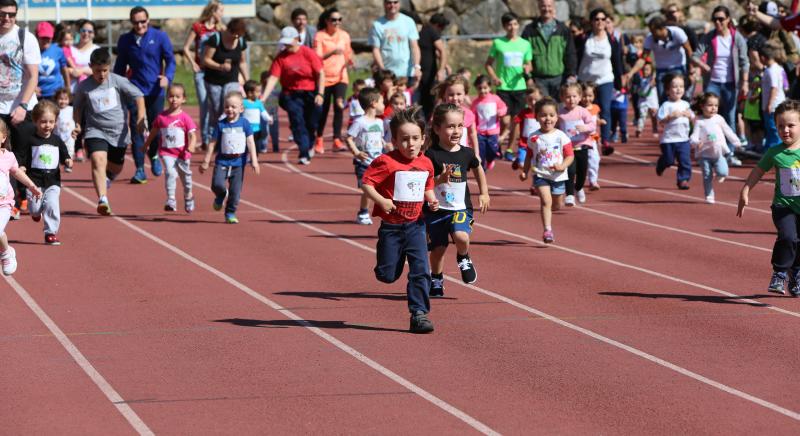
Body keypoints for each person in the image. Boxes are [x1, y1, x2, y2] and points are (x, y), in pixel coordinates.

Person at [361, 106, 439, 333]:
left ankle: (419, 314)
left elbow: (428, 185)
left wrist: (431, 199)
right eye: (404, 139)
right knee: (387, 276)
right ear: (394, 140)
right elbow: (367, 183)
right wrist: (382, 201)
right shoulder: (386, 162)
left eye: (415, 138)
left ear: (423, 139)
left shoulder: (426, 163)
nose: (410, 144)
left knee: (421, 269)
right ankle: (387, 264)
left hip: (415, 225)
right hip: (391, 229)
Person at [424, 103, 489, 297]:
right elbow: (425, 182)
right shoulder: (430, 155)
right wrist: (439, 180)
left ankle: (463, 256)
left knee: (461, 236)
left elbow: (478, 168)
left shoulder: (466, 153)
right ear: (437, 129)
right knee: (438, 249)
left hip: (461, 207)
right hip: (436, 209)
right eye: (451, 126)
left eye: (460, 126)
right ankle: (436, 279)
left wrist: (484, 192)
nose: (457, 131)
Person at [737, 99, 800, 296]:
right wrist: (746, 190)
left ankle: (796, 274)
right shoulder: (775, 152)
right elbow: (758, 171)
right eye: (780, 126)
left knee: (798, 242)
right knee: (788, 236)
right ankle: (780, 273)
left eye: (791, 125)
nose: (785, 130)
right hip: (783, 206)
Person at [73, 49, 146, 216]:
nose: (102, 74)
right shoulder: (84, 87)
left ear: (109, 67)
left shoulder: (118, 81)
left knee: (116, 166)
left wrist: (141, 118)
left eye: (105, 70)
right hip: (95, 130)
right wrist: (77, 124)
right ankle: (103, 199)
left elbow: (139, 96)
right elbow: (77, 106)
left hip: (118, 132)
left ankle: (109, 178)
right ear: (91, 67)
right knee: (98, 160)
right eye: (98, 71)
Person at [115, 6, 176, 184]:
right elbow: (120, 66)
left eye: (143, 21)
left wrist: (168, 77)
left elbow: (170, 60)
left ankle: (154, 155)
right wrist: (116, 86)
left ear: (148, 20)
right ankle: (140, 169)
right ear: (131, 23)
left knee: (156, 127)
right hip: (135, 90)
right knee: (136, 128)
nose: (140, 25)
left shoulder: (160, 36)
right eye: (136, 22)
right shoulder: (125, 40)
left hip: (155, 90)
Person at [692, 6, 749, 166]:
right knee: (708, 116)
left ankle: (729, 153)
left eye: (721, 19)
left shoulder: (736, 38)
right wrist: (704, 67)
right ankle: (708, 152)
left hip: (731, 83)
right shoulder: (709, 37)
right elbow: (695, 56)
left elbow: (745, 62)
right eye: (715, 19)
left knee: (729, 118)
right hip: (713, 83)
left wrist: (744, 83)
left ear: (728, 20)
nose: (718, 22)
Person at [260, 26, 325, 166]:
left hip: (311, 93)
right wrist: (263, 97)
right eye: (285, 42)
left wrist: (320, 93)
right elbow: (273, 78)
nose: (287, 45)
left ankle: (309, 142)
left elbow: (320, 73)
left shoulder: (308, 53)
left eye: (290, 42)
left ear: (297, 39)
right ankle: (304, 152)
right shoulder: (281, 57)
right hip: (291, 94)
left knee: (312, 122)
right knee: (297, 120)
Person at [0, 0, 39, 221]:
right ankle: (9, 201)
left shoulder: (25, 37)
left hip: (22, 107)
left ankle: (26, 196)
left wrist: (23, 106)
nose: (7, 18)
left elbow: (33, 76)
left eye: (11, 14)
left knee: (23, 157)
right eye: (2, 14)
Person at [519, 97, 574, 243]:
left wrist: (562, 166)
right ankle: (547, 230)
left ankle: (553, 209)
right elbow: (529, 155)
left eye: (551, 115)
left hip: (558, 176)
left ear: (557, 116)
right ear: (536, 117)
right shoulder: (534, 137)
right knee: (545, 201)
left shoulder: (561, 136)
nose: (547, 119)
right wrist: (525, 171)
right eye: (543, 115)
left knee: (556, 204)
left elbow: (570, 156)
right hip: (540, 173)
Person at [200, 91, 260, 223]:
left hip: (238, 163)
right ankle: (220, 195)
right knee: (217, 185)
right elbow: (212, 143)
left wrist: (254, 161)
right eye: (227, 107)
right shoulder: (221, 124)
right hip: (222, 161)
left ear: (241, 108)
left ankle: (230, 213)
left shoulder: (245, 124)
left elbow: (250, 142)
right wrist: (206, 161)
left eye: (233, 107)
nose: (230, 109)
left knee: (235, 192)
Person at [18, 100, 71, 245]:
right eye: (43, 122)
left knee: (52, 205)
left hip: (53, 181)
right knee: (35, 209)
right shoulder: (31, 140)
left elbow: (64, 152)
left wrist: (67, 160)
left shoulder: (56, 140)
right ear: (35, 121)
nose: (47, 125)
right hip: (34, 181)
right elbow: (23, 156)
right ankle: (35, 214)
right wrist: (22, 166)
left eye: (51, 122)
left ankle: (50, 232)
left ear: (55, 122)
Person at [141, 83, 197, 213]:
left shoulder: (185, 118)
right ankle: (171, 198)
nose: (174, 99)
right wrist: (146, 145)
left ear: (184, 99)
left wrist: (192, 145)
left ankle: (188, 196)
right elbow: (154, 132)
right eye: (171, 96)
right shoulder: (161, 117)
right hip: (167, 152)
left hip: (183, 153)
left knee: (185, 178)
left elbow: (192, 135)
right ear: (167, 98)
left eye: (178, 96)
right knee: (170, 173)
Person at [575, 8, 624, 147]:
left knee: (605, 108)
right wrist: (572, 74)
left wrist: (620, 80)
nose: (600, 22)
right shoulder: (584, 38)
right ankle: (583, 138)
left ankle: (605, 140)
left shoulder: (612, 39)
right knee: (584, 110)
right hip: (585, 80)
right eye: (597, 19)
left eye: (603, 19)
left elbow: (617, 60)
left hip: (605, 79)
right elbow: (575, 56)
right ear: (591, 22)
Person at [0, 118, 41, 275]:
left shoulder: (8, 157)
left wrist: (31, 186)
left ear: (3, 138)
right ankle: (7, 248)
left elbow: (17, 172)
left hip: (4, 203)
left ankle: (5, 255)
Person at [182, 0, 225, 149]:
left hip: (215, 72)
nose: (222, 14)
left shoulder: (220, 29)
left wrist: (222, 26)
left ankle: (213, 135)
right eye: (220, 11)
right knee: (204, 104)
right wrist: (193, 63)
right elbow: (186, 48)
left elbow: (232, 39)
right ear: (213, 11)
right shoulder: (198, 27)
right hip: (201, 72)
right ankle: (205, 139)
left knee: (215, 105)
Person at [626, 16, 693, 103]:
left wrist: (691, 69)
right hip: (661, 70)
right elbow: (643, 59)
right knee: (662, 99)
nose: (652, 34)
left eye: (654, 31)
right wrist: (631, 73)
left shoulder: (677, 33)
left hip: (678, 67)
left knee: (679, 97)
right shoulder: (650, 39)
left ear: (662, 28)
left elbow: (689, 51)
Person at [690, 92, 741, 204]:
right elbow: (694, 136)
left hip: (718, 153)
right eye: (710, 105)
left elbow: (728, 131)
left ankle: (720, 175)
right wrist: (696, 142)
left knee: (723, 172)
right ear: (702, 106)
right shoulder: (699, 121)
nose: (713, 108)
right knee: (707, 176)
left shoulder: (719, 119)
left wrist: (736, 142)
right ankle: (709, 195)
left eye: (716, 105)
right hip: (704, 154)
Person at [202, 17, 248, 140]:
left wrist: (247, 81)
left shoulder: (241, 42)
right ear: (228, 30)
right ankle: (215, 136)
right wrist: (220, 66)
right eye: (234, 34)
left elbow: (242, 62)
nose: (235, 38)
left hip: (232, 79)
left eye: (238, 35)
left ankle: (231, 134)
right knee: (218, 109)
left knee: (232, 105)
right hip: (213, 80)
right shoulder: (215, 39)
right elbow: (205, 60)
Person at [314, 7, 353, 154]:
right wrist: (332, 52)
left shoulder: (345, 35)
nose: (337, 22)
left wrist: (350, 61)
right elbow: (317, 58)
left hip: (341, 77)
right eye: (334, 20)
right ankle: (319, 138)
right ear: (327, 21)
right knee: (322, 110)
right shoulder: (320, 36)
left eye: (339, 20)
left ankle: (337, 139)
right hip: (324, 77)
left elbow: (348, 53)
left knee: (339, 106)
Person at [345, 87, 386, 225]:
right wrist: (356, 152)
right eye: (382, 102)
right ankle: (363, 212)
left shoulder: (379, 122)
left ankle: (363, 211)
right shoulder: (360, 122)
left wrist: (386, 144)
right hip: (363, 163)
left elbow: (379, 138)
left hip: (377, 162)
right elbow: (349, 138)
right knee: (368, 188)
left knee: (372, 189)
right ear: (374, 103)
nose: (384, 105)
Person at [521, 0, 577, 99]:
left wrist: (571, 74)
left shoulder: (563, 30)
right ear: (539, 7)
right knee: (542, 109)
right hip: (538, 80)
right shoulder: (529, 30)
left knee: (559, 110)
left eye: (549, 6)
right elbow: (523, 56)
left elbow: (570, 53)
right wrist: (528, 77)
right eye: (543, 6)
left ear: (554, 7)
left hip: (559, 79)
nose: (546, 9)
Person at [486, 12, 532, 131]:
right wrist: (495, 78)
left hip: (520, 87)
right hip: (503, 87)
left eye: (515, 24)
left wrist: (527, 68)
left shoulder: (525, 44)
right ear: (504, 27)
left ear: (518, 25)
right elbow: (488, 64)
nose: (513, 27)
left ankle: (511, 149)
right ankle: (500, 144)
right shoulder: (498, 43)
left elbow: (529, 64)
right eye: (509, 25)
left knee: (517, 120)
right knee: (505, 120)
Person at [558, 82, 596, 205]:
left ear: (580, 97)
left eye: (574, 96)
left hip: (582, 146)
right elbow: (556, 127)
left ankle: (578, 188)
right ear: (563, 98)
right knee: (570, 171)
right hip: (568, 149)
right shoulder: (560, 114)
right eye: (568, 97)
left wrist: (585, 128)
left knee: (581, 174)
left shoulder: (582, 111)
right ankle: (569, 195)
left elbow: (592, 124)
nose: (571, 99)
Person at [655, 73, 694, 189]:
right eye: (675, 86)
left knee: (685, 161)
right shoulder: (666, 105)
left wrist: (690, 115)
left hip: (683, 139)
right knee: (669, 160)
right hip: (668, 140)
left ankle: (683, 180)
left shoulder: (686, 104)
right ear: (667, 90)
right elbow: (660, 121)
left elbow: (692, 117)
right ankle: (661, 164)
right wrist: (670, 116)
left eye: (681, 86)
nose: (678, 89)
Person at [369, 0, 421, 86]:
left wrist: (417, 67)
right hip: (388, 74)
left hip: (406, 73)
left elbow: (414, 46)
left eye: (395, 2)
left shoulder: (408, 21)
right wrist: (382, 70)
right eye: (389, 2)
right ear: (384, 4)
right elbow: (375, 49)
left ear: (399, 3)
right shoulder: (377, 25)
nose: (392, 5)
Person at [471, 74, 508, 170]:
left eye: (485, 88)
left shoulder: (495, 98)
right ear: (476, 88)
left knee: (492, 150)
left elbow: (503, 107)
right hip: (480, 132)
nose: (483, 90)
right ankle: (482, 168)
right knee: (481, 152)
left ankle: (491, 160)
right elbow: (472, 116)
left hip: (493, 131)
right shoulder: (476, 102)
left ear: (489, 87)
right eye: (480, 88)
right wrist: (473, 128)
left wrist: (501, 112)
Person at [418, 13, 450, 118]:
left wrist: (445, 66)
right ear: (437, 25)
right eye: (442, 27)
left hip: (424, 71)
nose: (441, 30)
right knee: (428, 102)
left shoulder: (423, 31)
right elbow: (442, 51)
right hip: (427, 73)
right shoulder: (432, 31)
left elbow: (434, 52)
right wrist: (441, 70)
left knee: (425, 101)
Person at [436, 74, 478, 151]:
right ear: (444, 94)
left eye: (459, 94)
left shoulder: (469, 114)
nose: (455, 98)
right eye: (451, 95)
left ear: (465, 94)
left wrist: (477, 153)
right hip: (443, 153)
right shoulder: (439, 113)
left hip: (462, 155)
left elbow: (472, 134)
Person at [760, 44, 787, 149]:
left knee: (773, 129)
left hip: (774, 105)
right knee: (771, 129)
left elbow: (774, 88)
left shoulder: (771, 70)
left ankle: (776, 152)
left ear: (763, 57)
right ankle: (769, 151)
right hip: (777, 103)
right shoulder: (777, 68)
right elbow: (784, 85)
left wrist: (769, 104)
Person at [508, 85, 541, 170]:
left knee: (537, 167)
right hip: (524, 144)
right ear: (526, 100)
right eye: (530, 100)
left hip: (538, 145)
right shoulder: (524, 113)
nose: (533, 102)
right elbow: (514, 123)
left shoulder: (543, 113)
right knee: (523, 165)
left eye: (536, 100)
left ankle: (518, 160)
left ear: (541, 98)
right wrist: (504, 135)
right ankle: (519, 160)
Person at [35, 21, 70, 102]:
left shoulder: (58, 50)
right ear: (37, 36)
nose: (46, 40)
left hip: (56, 94)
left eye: (48, 37)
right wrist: (33, 88)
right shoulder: (31, 51)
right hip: (37, 95)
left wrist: (68, 88)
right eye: (43, 37)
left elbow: (64, 70)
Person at [580, 81, 603, 190]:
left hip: (592, 138)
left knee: (595, 159)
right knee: (580, 162)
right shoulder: (578, 109)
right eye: (584, 96)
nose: (587, 98)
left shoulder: (595, 108)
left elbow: (595, 121)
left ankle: (593, 181)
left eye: (590, 96)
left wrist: (600, 121)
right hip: (580, 140)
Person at [242, 80, 271, 154]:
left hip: (256, 130)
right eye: (257, 92)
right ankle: (245, 157)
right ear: (250, 93)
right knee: (245, 146)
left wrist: (269, 118)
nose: (260, 93)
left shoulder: (258, 103)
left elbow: (263, 112)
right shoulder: (243, 102)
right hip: (245, 129)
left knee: (256, 146)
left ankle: (254, 158)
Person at [69, 20, 99, 92]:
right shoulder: (70, 49)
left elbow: (100, 70)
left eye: (90, 31)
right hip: (72, 93)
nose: (86, 33)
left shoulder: (97, 50)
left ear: (94, 34)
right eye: (83, 30)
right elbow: (63, 67)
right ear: (79, 32)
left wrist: (82, 71)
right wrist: (70, 70)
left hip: (91, 92)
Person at [631, 62, 660, 137]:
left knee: (653, 115)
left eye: (647, 69)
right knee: (642, 115)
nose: (645, 71)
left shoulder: (652, 80)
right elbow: (636, 88)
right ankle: (639, 129)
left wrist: (653, 77)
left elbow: (655, 75)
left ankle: (655, 128)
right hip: (643, 100)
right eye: (644, 69)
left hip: (652, 100)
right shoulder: (640, 79)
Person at [53, 88, 75, 164]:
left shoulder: (71, 109)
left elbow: (76, 119)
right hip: (58, 134)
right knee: (57, 149)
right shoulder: (55, 110)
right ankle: (57, 162)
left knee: (70, 149)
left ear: (69, 100)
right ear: (56, 99)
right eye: (60, 99)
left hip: (69, 135)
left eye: (65, 99)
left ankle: (69, 163)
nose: (63, 101)